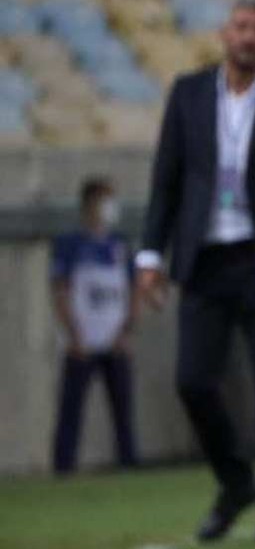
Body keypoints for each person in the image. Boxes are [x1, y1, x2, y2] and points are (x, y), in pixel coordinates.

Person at [136, 0, 255, 544]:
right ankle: (238, 482)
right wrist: (150, 255)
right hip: (205, 259)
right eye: (241, 27)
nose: (249, 38)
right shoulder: (189, 95)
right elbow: (166, 179)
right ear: (224, 31)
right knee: (192, 381)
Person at [51, 178, 139, 474]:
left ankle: (129, 464)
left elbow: (133, 291)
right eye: (105, 200)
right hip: (82, 342)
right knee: (71, 408)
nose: (110, 208)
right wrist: (74, 335)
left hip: (115, 341)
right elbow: (60, 291)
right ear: (89, 204)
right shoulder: (69, 245)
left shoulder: (120, 244)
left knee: (123, 409)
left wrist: (126, 331)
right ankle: (64, 467)